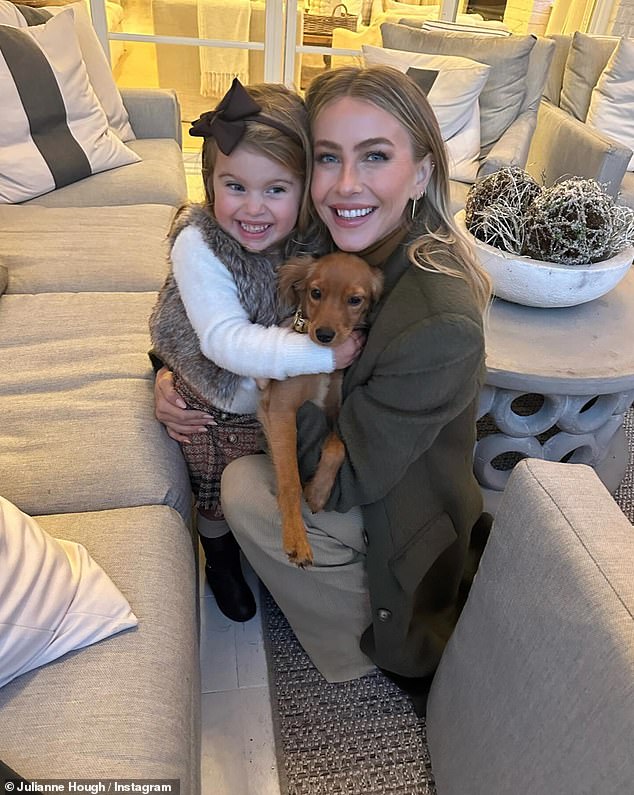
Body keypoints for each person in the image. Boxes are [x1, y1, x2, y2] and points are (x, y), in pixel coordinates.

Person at [155, 65, 491, 715]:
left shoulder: (435, 316)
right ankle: (239, 555)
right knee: (229, 465)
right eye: (329, 157)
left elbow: (338, 479)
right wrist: (172, 373)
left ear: (422, 171)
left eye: (376, 156)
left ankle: (359, 639)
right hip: (344, 438)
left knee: (244, 489)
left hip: (390, 504)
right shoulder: (324, 236)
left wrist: (276, 378)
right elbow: (214, 313)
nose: (345, 184)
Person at [149, 78, 363, 623]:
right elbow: (223, 341)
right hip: (211, 392)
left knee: (264, 464)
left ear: (304, 189)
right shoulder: (199, 243)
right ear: (209, 183)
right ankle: (217, 553)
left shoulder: (312, 241)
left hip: (265, 393)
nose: (253, 208)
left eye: (275, 189)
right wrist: (324, 357)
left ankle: (254, 539)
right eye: (234, 186)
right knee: (214, 483)